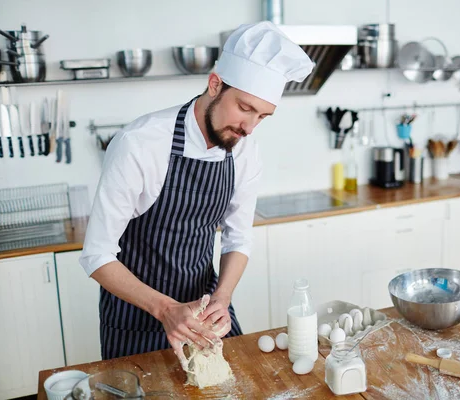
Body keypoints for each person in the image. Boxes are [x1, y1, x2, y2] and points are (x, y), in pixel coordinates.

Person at [80, 21, 314, 360]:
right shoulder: (140, 144)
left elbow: (238, 238)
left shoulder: (245, 150)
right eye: (245, 108)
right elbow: (97, 256)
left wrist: (223, 297)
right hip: (136, 317)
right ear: (215, 85)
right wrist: (165, 309)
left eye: (262, 116)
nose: (249, 127)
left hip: (207, 311)